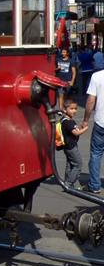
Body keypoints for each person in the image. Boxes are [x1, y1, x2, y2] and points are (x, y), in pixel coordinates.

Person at [57, 97, 90, 187]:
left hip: (68, 146)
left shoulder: (68, 120)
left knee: (70, 164)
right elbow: (76, 133)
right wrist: (85, 129)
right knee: (78, 165)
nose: (74, 111)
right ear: (65, 109)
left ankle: (67, 181)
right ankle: (69, 183)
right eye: (71, 109)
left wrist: (77, 127)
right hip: (71, 147)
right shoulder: (68, 122)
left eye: (75, 109)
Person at [82, 65, 104, 194]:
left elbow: (91, 101)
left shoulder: (97, 76)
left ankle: (94, 185)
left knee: (96, 153)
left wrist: (86, 119)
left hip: (101, 121)